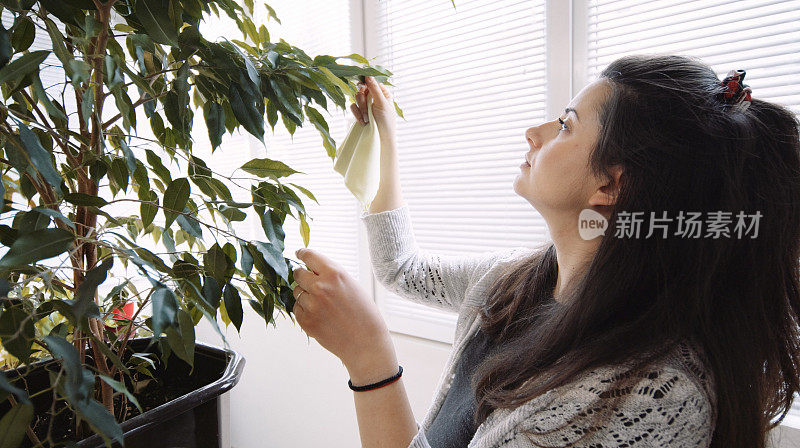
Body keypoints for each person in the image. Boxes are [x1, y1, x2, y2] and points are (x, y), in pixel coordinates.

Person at [290, 54, 800, 447]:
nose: (534, 133)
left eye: (566, 124)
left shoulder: (646, 394)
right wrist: (384, 134)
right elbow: (403, 269)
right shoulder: (516, 281)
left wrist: (369, 357)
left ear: (610, 185)